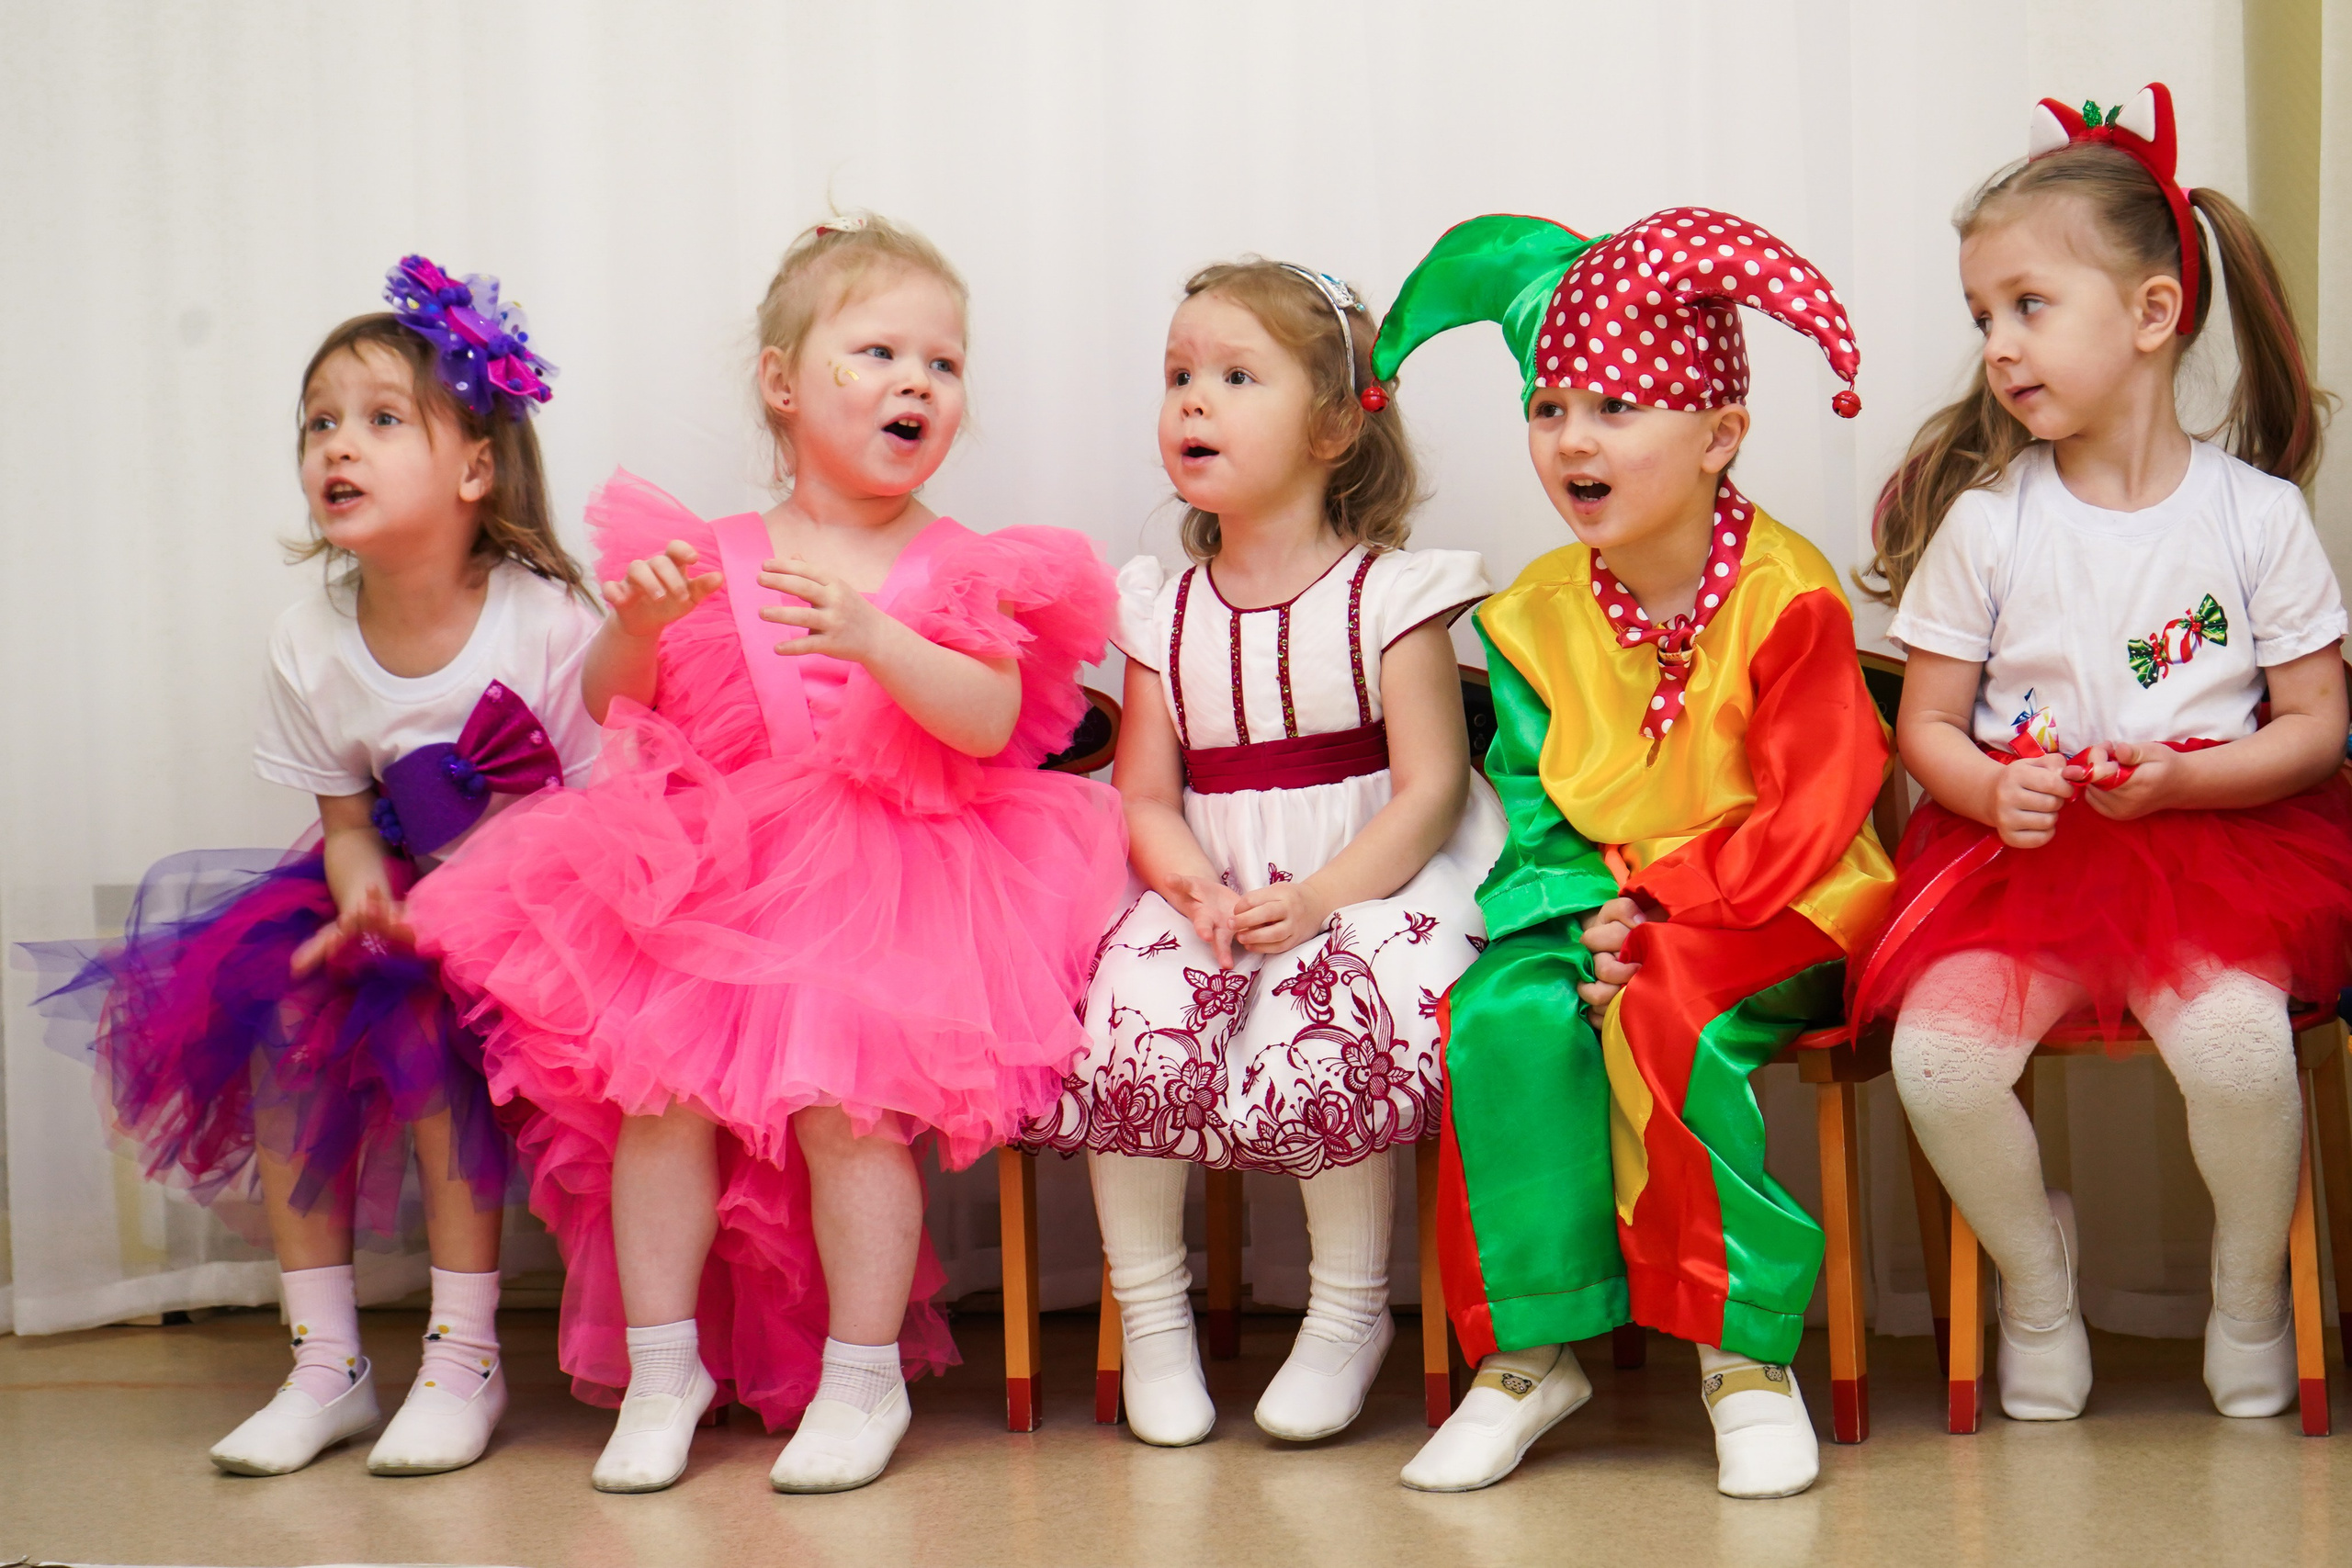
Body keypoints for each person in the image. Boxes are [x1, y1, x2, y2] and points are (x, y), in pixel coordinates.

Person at [408, 213, 1127, 1495]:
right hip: (718, 871)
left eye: (946, 362)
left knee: (855, 1120)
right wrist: (639, 624)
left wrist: (878, 638)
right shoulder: (721, 554)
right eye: (880, 351)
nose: (920, 380)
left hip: (899, 876)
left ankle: (862, 1380)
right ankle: (663, 1362)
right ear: (786, 384)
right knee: (659, 1102)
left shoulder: (959, 562)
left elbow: (991, 721)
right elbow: (630, 711)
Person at [29, 256, 598, 1477]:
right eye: (319, 425)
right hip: (390, 896)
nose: (337, 446)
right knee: (293, 1029)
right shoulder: (311, 639)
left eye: (381, 420)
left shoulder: (546, 622)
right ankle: (325, 1362)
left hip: (536, 910)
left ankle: (464, 1362)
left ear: (474, 466)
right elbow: (347, 820)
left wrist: (467, 915)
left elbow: (602, 815)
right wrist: (364, 897)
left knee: (439, 1051)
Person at [1373, 207, 1894, 1497]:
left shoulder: (1791, 594)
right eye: (1550, 408)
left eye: (1615, 407)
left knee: (1664, 1009)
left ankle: (1742, 1351)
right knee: (1501, 1013)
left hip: (1785, 903)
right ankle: (1532, 1350)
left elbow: (1811, 806)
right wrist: (1591, 915)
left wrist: (1659, 911)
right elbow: (1533, 817)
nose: (1574, 440)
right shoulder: (1534, 617)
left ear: (1720, 436)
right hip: (1600, 906)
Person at [1855, 83, 2351, 1425]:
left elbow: (2315, 729)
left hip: (2213, 846)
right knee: (1942, 1065)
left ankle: (2251, 1292)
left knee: (2243, 1051)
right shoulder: (1988, 522)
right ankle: (2039, 1276)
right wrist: (1985, 786)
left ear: (2150, 316)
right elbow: (1929, 724)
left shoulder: (2254, 517)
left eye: (2028, 305)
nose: (1999, 346)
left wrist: (2189, 777)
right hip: (2021, 860)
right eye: (1982, 317)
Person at [1023, 261, 1501, 1445]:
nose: (1195, 401)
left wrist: (1324, 894)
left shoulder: (1397, 595)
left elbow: (1433, 787)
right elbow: (1143, 787)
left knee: (1320, 1026)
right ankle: (1149, 1307)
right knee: (1123, 1016)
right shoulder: (1160, 607)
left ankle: (1347, 1310)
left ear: (1336, 423)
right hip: (1206, 876)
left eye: (1237, 377)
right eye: (1181, 375)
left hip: (1368, 877)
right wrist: (1187, 882)